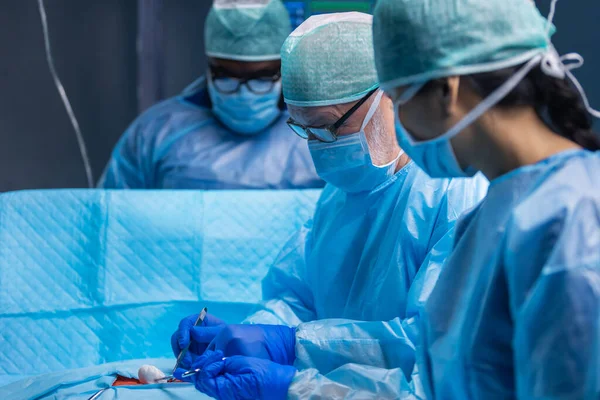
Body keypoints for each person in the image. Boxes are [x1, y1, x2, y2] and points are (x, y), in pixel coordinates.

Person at [171, 13, 489, 399]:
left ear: (388, 96)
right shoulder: (340, 197)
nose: (319, 145)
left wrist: (293, 348)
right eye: (304, 129)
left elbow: (428, 345)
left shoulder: (455, 196)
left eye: (329, 127)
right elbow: (300, 298)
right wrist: (243, 337)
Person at [370, 0, 600, 398]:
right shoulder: (493, 215)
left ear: (447, 89)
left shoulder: (573, 218)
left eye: (397, 100)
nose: (398, 124)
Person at [99, 0, 323, 190]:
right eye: (227, 76)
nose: (244, 92)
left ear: (283, 68)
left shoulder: (320, 134)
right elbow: (111, 218)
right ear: (209, 67)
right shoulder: (155, 133)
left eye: (261, 77)